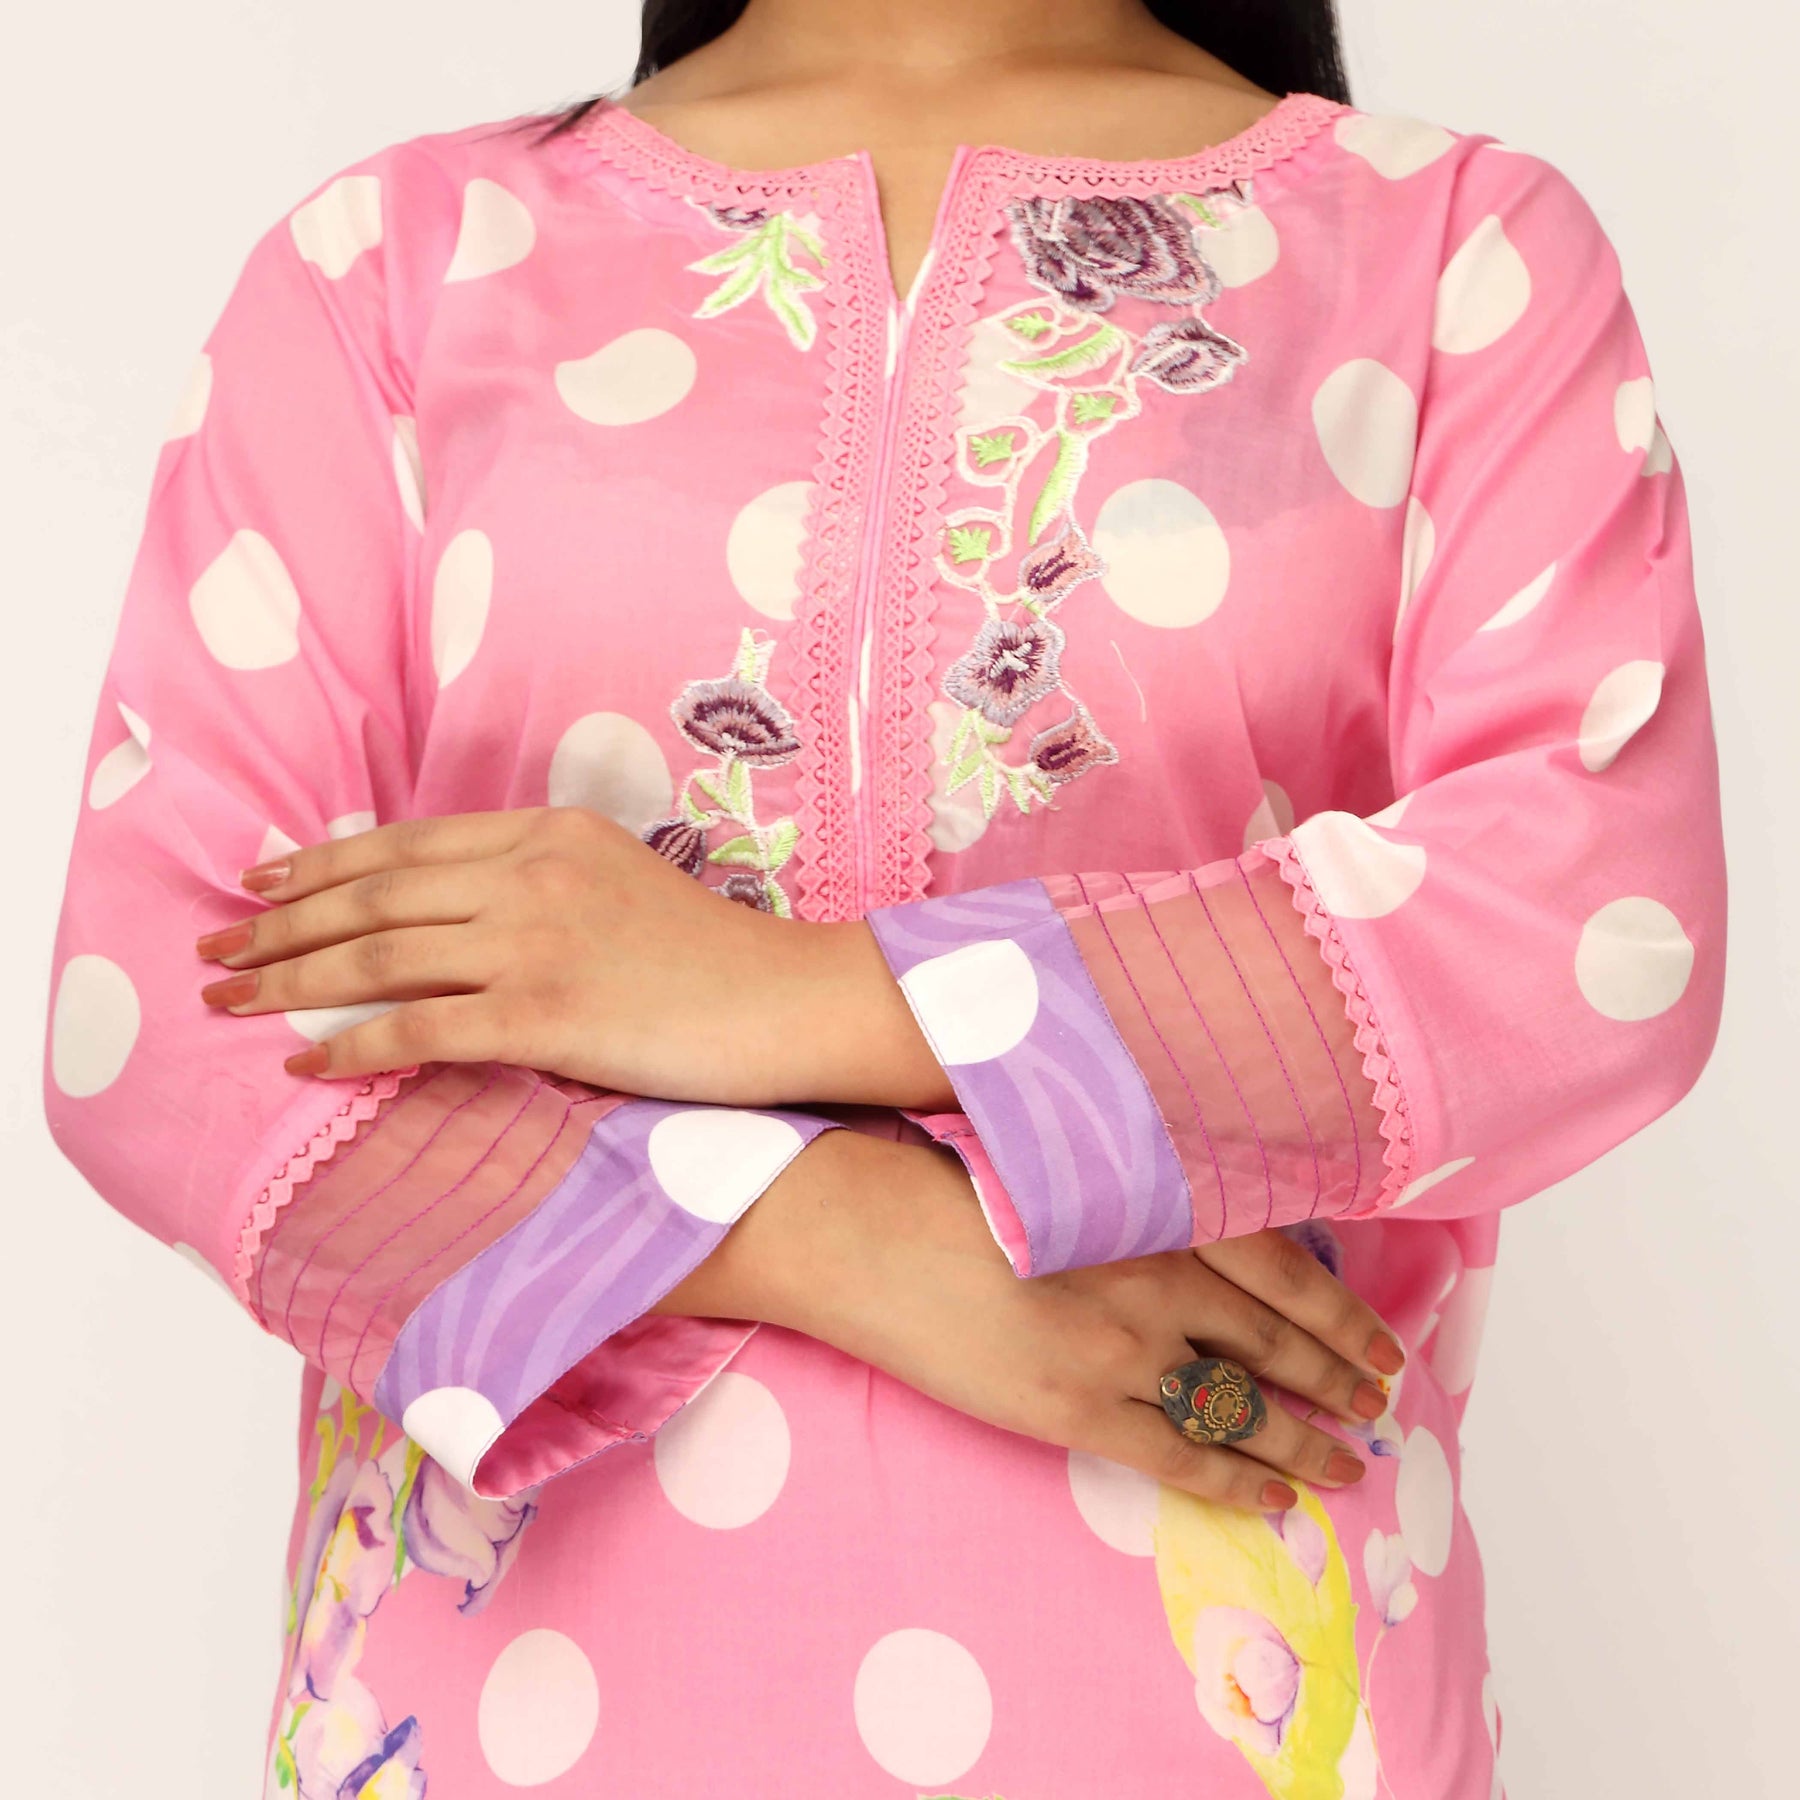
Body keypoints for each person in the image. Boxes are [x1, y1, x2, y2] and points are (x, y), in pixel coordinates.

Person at [44, 0, 1726, 1792]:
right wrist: (845, 1239)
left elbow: (1583, 926)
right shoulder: (395, 267)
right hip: (504, 1707)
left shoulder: (1449, 250)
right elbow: (161, 1007)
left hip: (1213, 1687)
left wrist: (766, 997)